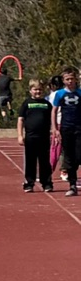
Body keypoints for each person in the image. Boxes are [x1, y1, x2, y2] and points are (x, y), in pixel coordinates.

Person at [17, 79, 53, 193]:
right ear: (30, 91)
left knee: (45, 161)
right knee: (30, 161)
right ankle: (29, 183)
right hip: (31, 137)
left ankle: (46, 183)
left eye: (40, 90)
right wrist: (20, 135)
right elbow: (20, 120)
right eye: (35, 89)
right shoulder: (26, 103)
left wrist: (54, 131)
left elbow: (52, 119)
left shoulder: (47, 104)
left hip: (44, 137)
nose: (37, 92)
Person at [51, 66, 81, 197]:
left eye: (72, 79)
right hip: (66, 128)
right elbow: (54, 111)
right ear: (63, 81)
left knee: (79, 155)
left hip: (79, 127)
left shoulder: (80, 93)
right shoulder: (59, 94)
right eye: (67, 79)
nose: (70, 81)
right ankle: (72, 185)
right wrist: (54, 128)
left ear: (76, 79)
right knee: (69, 156)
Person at [47, 74, 65, 178]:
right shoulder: (65, 93)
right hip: (65, 123)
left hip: (59, 123)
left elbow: (52, 110)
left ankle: (49, 171)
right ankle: (64, 170)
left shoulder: (54, 95)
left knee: (56, 149)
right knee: (63, 149)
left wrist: (53, 127)